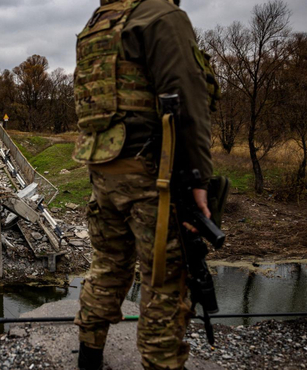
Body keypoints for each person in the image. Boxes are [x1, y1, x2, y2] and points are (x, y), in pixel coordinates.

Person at [71, 0, 219, 369]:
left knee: (107, 266)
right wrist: (199, 177)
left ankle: (88, 360)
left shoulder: (99, 22)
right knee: (165, 281)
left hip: (104, 172)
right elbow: (187, 98)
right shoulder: (161, 16)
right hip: (154, 175)